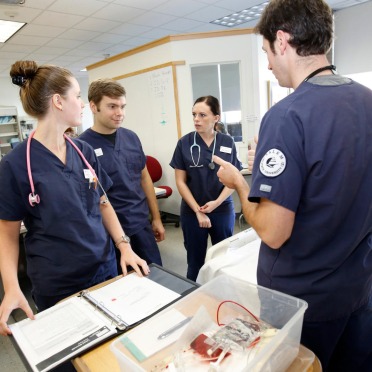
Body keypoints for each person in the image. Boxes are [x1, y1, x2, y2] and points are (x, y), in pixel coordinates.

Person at [213, 1, 372, 371]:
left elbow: (273, 232)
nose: (267, 63)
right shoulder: (367, 102)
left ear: (282, 41)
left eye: (266, 51)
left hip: (304, 301)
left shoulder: (287, 116)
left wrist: (238, 182)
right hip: (358, 288)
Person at [0, 61, 149, 336]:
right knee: (73, 355)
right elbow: (7, 234)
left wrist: (124, 246)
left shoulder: (84, 152)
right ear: (58, 101)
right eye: (78, 96)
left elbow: (103, 202)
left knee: (110, 341)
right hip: (58, 279)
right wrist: (12, 287)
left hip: (103, 267)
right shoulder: (16, 164)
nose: (82, 104)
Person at [79, 78, 164, 269]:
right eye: (112, 106)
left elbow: (144, 178)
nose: (119, 113)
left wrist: (156, 218)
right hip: (108, 233)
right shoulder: (82, 148)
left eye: (122, 106)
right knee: (121, 286)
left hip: (141, 224)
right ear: (93, 106)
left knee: (156, 276)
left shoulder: (131, 138)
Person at [170, 95, 242, 281]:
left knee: (223, 259)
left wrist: (217, 203)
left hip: (222, 208)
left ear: (216, 118)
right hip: (192, 211)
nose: (196, 119)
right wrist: (197, 210)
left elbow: (234, 179)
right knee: (195, 262)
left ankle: (224, 298)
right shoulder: (184, 143)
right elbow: (180, 181)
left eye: (202, 115)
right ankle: (194, 299)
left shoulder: (227, 142)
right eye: (194, 114)